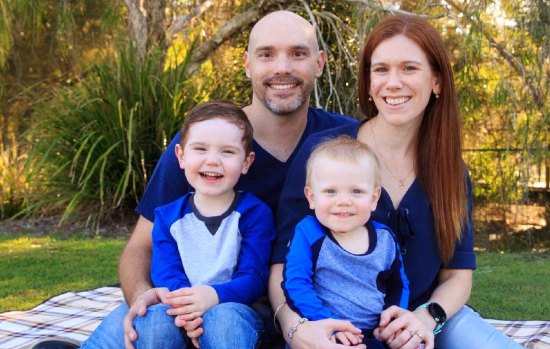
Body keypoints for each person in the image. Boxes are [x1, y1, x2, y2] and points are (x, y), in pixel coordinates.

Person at [67, 10, 358, 349]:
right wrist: (147, 297)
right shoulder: (206, 145)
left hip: (264, 310)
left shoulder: (343, 143)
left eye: (298, 53)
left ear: (319, 63)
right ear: (247, 64)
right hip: (185, 302)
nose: (282, 67)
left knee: (223, 326)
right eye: (266, 54)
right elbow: (141, 246)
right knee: (142, 323)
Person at [271, 14, 524, 349]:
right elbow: (281, 267)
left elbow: (458, 275)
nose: (393, 82)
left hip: (427, 319)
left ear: (437, 81)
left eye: (409, 68)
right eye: (381, 69)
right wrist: (296, 327)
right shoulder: (324, 155)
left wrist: (426, 318)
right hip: (333, 326)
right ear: (368, 81)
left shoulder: (451, 171)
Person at [131, 101, 275, 348]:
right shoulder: (167, 217)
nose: (212, 161)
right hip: (181, 309)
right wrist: (189, 309)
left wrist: (214, 296)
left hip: (239, 311)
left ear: (246, 162)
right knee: (153, 321)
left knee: (223, 321)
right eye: (200, 149)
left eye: (227, 152)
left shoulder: (255, 214)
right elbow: (166, 273)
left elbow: (253, 277)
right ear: (181, 156)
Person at [282, 136, 409, 349]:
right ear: (311, 197)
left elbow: (398, 284)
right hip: (322, 333)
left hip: (373, 335)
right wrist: (329, 324)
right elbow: (296, 283)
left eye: (356, 191)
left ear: (374, 198)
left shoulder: (385, 239)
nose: (343, 201)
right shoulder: (308, 232)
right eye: (331, 191)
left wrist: (393, 319)